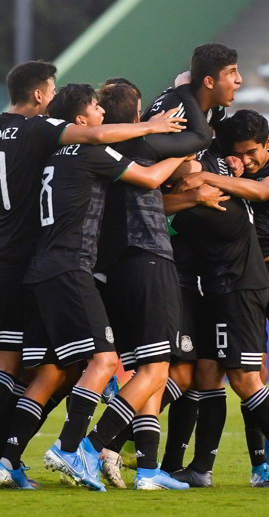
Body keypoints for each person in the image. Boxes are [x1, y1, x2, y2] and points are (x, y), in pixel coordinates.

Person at [0, 60, 186, 489]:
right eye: (50, 89)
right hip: (24, 263)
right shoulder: (44, 133)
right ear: (40, 95)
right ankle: (10, 454)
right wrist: (154, 128)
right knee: (21, 366)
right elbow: (101, 140)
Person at [54, 43, 241, 492]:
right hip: (148, 258)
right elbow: (198, 139)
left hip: (113, 265)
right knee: (157, 371)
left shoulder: (99, 152)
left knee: (149, 371)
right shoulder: (141, 143)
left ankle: (150, 471)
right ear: (137, 113)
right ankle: (89, 447)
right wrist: (181, 133)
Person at [0, 83, 188, 489]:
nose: (99, 113)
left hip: (40, 268)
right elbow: (148, 177)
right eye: (94, 108)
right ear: (80, 120)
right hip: (71, 267)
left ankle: (4, 459)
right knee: (103, 361)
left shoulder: (50, 152)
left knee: (52, 371)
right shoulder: (89, 149)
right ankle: (71, 449)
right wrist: (182, 149)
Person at [177, 109, 269, 486]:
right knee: (250, 372)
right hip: (241, 277)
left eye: (253, 152)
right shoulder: (230, 167)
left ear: (268, 145)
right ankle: (260, 463)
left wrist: (206, 176)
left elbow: (263, 192)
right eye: (239, 153)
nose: (247, 159)